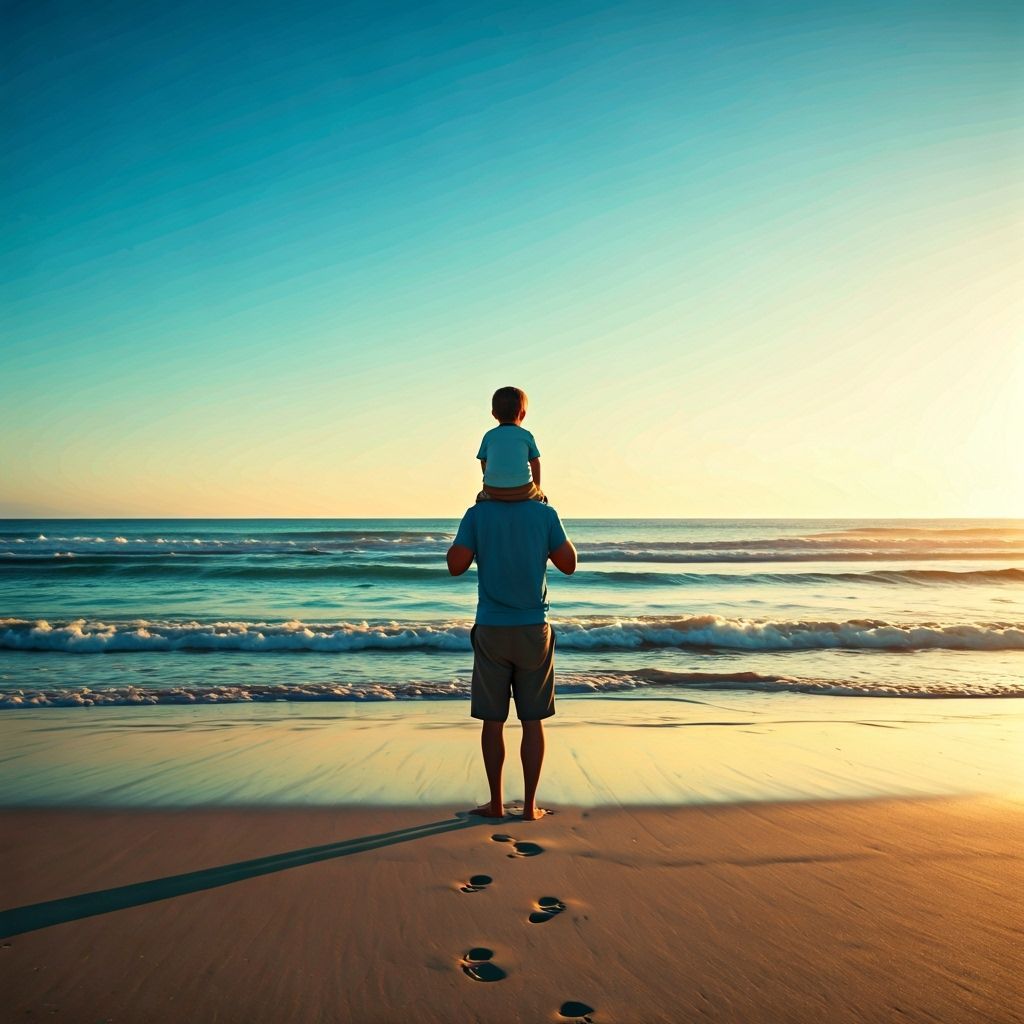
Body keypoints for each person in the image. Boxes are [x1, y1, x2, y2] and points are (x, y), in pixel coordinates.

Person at [447, 489, 577, 821]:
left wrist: (479, 527)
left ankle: (496, 804)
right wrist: (542, 523)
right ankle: (530, 807)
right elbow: (569, 564)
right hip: (533, 629)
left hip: (492, 629)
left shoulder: (477, 515)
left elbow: (455, 565)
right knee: (532, 721)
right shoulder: (545, 514)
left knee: (493, 721)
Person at [475, 385, 546, 503]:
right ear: (522, 414)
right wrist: (537, 488)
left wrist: (491, 481)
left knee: (479, 499)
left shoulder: (489, 435)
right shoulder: (526, 435)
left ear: (494, 414)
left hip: (493, 491)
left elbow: (483, 461)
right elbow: (535, 462)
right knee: (541, 499)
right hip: (523, 490)